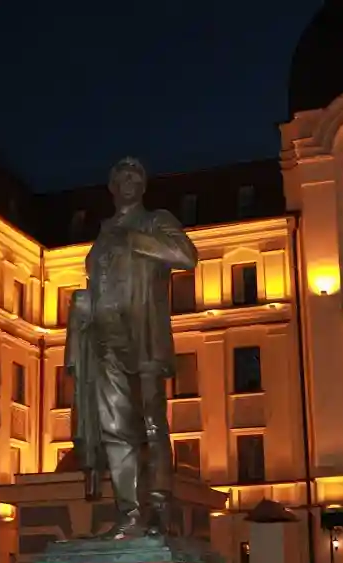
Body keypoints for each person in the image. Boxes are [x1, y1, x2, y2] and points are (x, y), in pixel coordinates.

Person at [65, 157, 198, 540]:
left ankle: (159, 509)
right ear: (111, 186)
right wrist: (84, 305)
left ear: (143, 186)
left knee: (152, 423)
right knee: (113, 426)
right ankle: (129, 514)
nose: (129, 181)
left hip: (144, 337)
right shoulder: (103, 231)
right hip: (104, 337)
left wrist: (133, 240)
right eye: (122, 176)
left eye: (136, 176)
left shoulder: (155, 221)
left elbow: (186, 256)